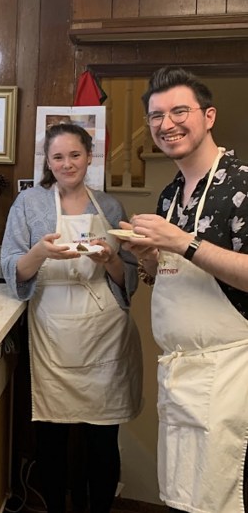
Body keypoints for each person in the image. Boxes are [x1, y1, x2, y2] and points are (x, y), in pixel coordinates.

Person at [124, 67, 248, 513]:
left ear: (208, 116)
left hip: (231, 368)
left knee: (222, 496)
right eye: (156, 116)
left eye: (180, 111)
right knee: (183, 496)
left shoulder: (241, 184)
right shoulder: (171, 195)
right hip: (179, 372)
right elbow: (167, 277)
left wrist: (183, 242)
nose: (166, 124)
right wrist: (147, 259)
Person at [1, 123, 143, 513]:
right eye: (58, 157)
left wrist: (110, 257)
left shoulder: (110, 206)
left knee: (103, 438)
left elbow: (129, 276)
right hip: (52, 328)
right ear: (48, 161)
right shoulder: (29, 204)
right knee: (50, 435)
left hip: (105, 330)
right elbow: (11, 264)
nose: (67, 164)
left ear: (89, 157)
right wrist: (41, 253)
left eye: (75, 155)